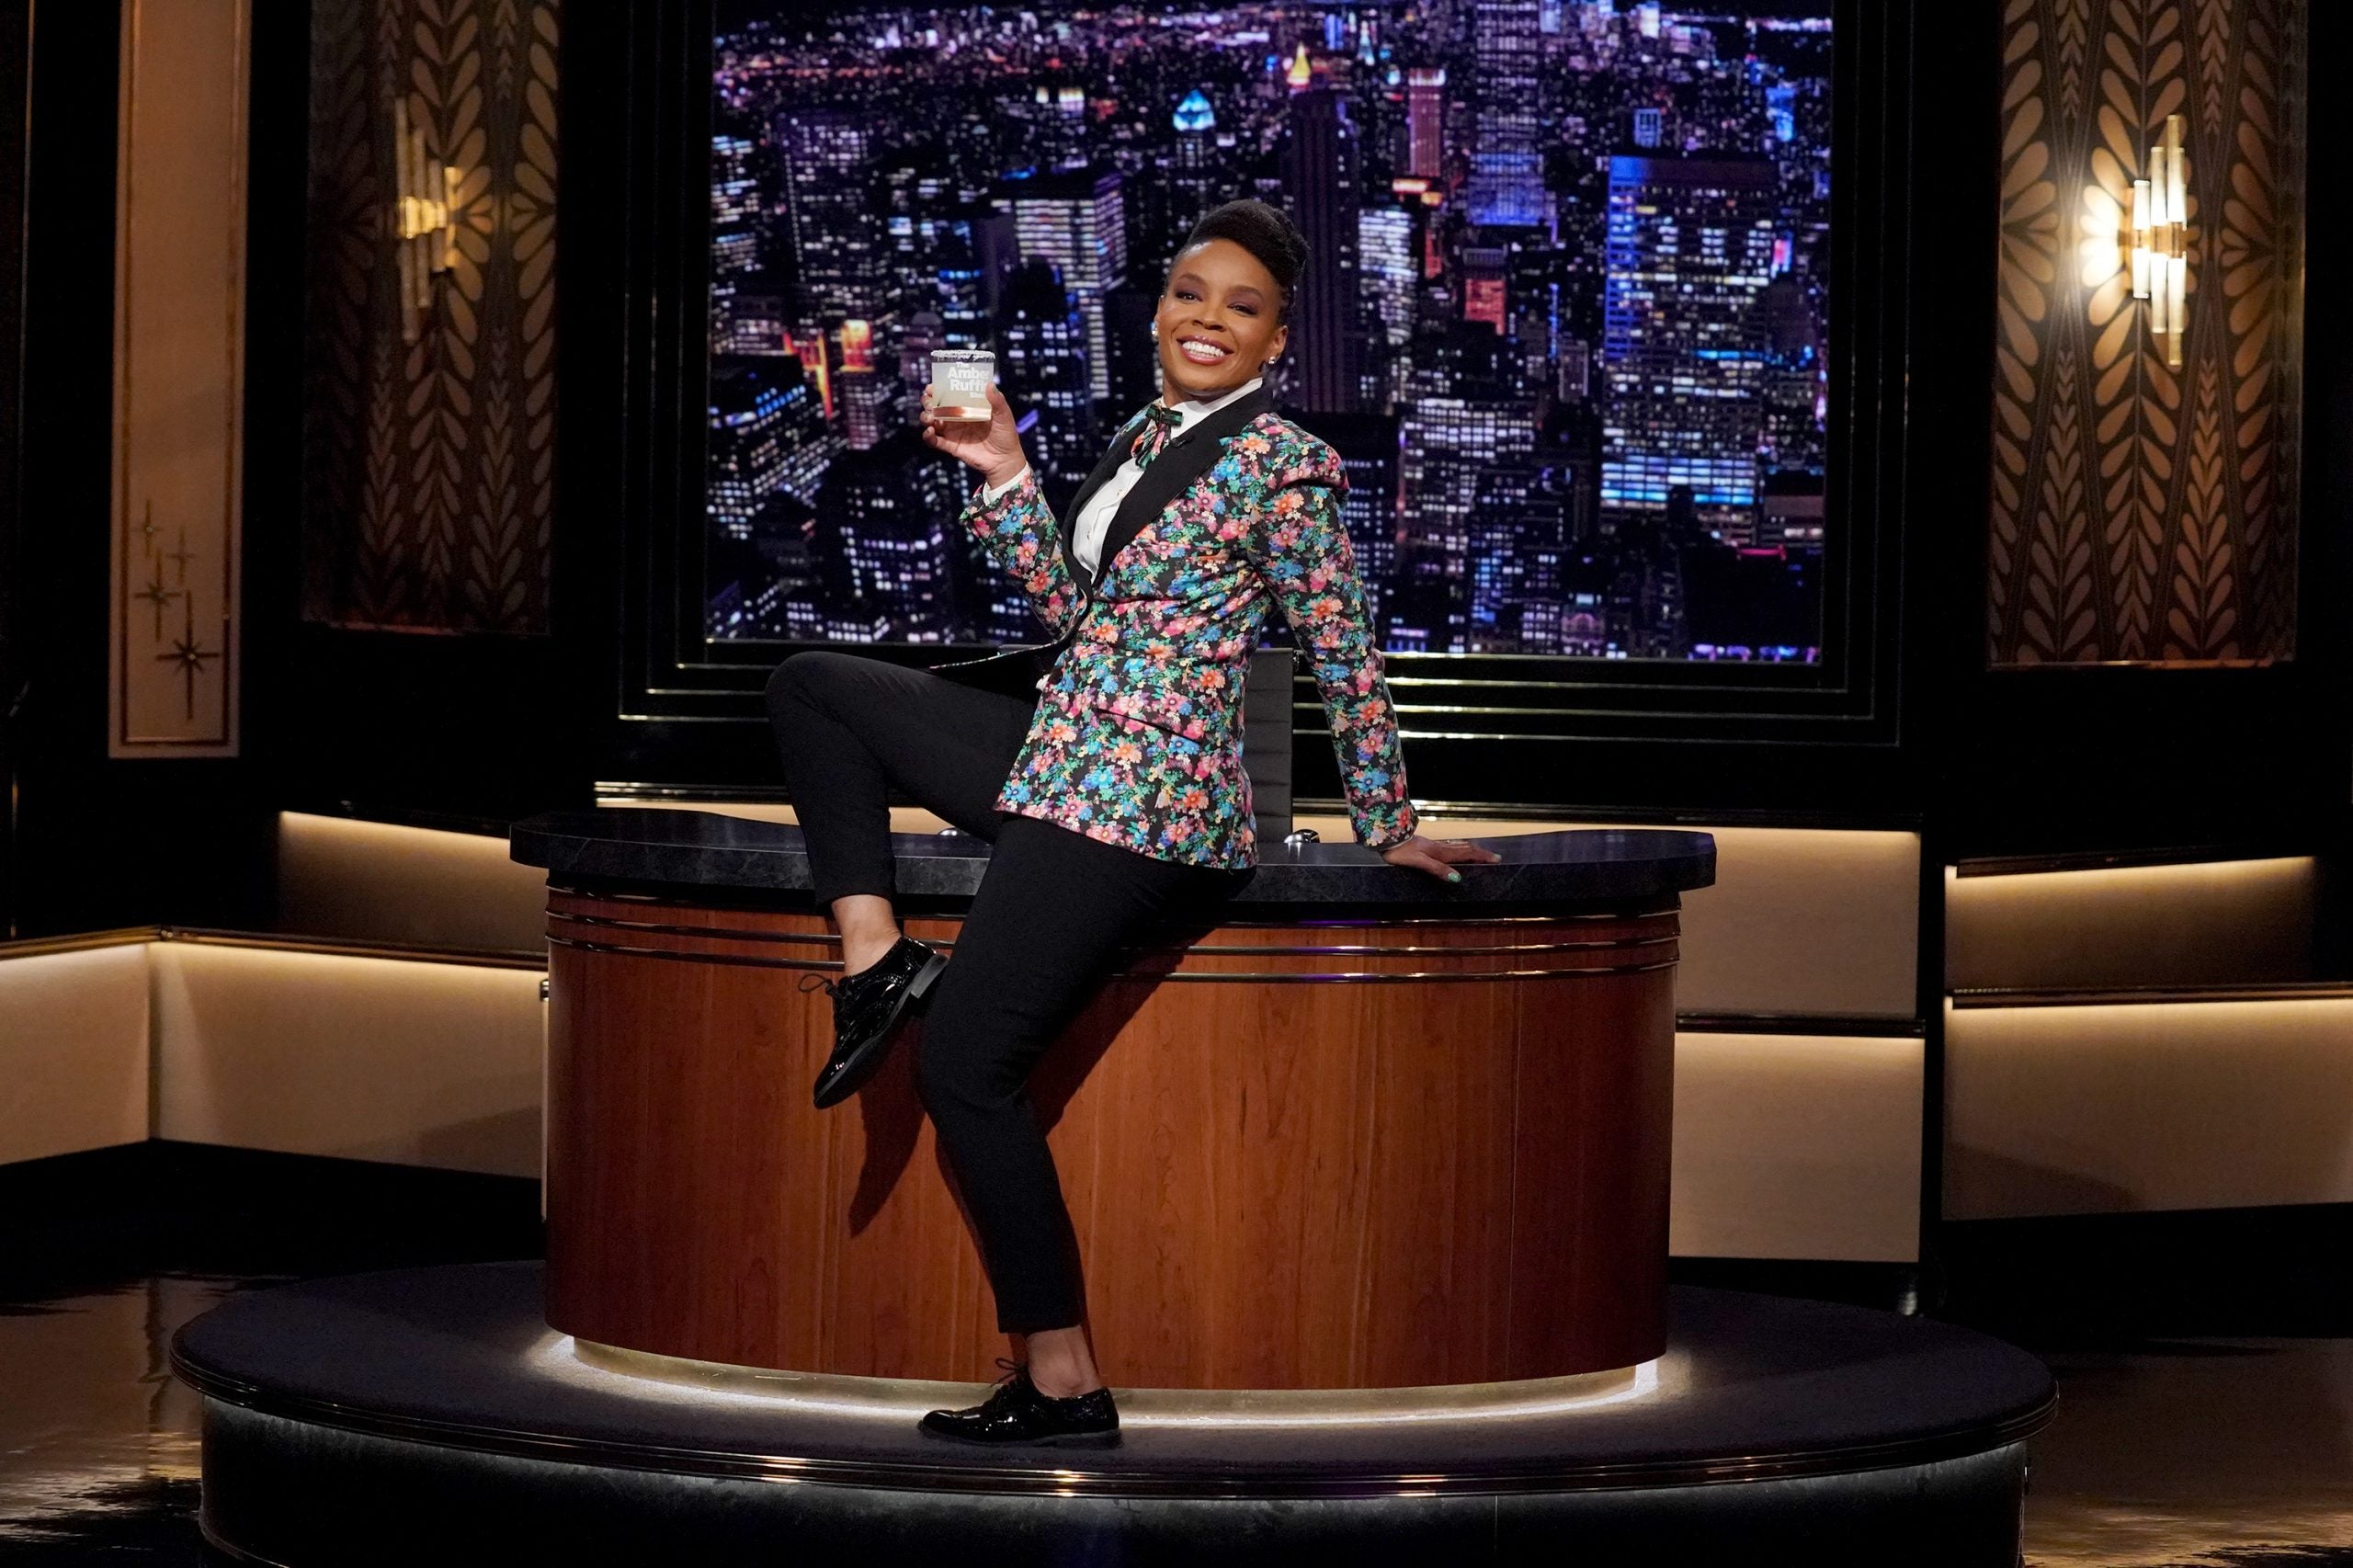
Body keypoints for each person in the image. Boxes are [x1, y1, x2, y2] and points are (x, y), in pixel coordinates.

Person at [764, 199, 1498, 1447]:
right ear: (1157, 311)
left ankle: (1063, 1382)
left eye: (1243, 308)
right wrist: (1006, 471)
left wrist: (1388, 819)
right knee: (813, 687)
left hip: (1146, 795)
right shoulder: (1140, 434)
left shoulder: (1285, 467)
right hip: (1065, 746)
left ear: (1276, 344)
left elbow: (1342, 649)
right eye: (1190, 295)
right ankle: (876, 959)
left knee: (966, 1068)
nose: (1209, 319)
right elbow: (1076, 615)